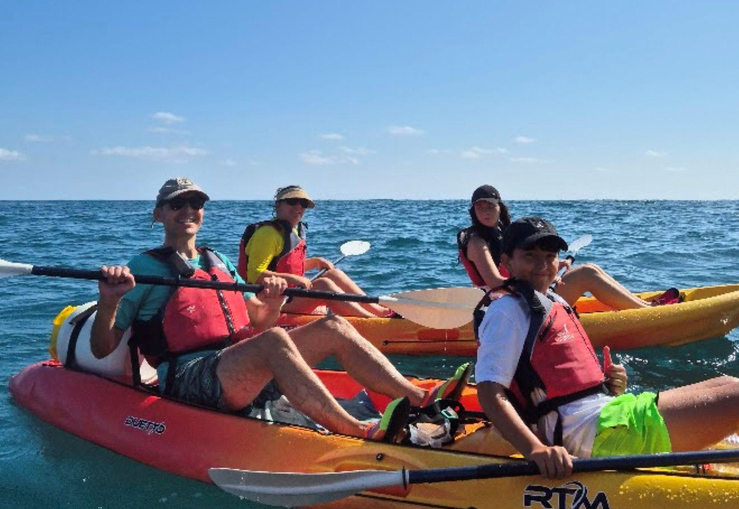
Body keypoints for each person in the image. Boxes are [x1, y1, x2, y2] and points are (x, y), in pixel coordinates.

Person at [91, 178, 471, 443]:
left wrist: (270, 303)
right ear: (158, 214)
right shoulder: (144, 268)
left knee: (333, 325)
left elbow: (257, 320)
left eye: (196, 204)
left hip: (234, 364)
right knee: (275, 341)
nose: (188, 210)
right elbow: (102, 347)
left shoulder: (217, 259)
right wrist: (108, 301)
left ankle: (420, 397)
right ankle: (358, 431)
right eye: (177, 204)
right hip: (188, 375)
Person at [475, 217, 739, 479]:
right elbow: (490, 392)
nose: (542, 265)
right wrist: (536, 450)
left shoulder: (555, 302)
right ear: (507, 262)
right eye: (530, 256)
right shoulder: (507, 312)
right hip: (593, 436)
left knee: (731, 384)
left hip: (608, 416)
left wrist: (608, 385)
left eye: (550, 256)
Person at [457, 185, 682, 309]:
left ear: (500, 208)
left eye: (490, 206)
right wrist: (546, 277)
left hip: (522, 291)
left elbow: (520, 265)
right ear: (473, 210)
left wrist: (549, 267)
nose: (485, 211)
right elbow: (496, 282)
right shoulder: (476, 241)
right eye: (480, 207)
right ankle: (647, 313)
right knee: (586, 275)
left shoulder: (502, 232)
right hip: (507, 302)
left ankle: (645, 304)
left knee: (591, 267)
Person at [238, 185, 391, 317]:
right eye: (292, 201)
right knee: (323, 284)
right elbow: (255, 275)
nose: (298, 207)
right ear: (278, 205)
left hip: (289, 294)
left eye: (303, 203)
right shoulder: (267, 234)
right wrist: (294, 279)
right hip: (268, 301)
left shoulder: (292, 231)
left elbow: (281, 264)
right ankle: (372, 320)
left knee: (333, 273)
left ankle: (380, 311)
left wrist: (315, 262)